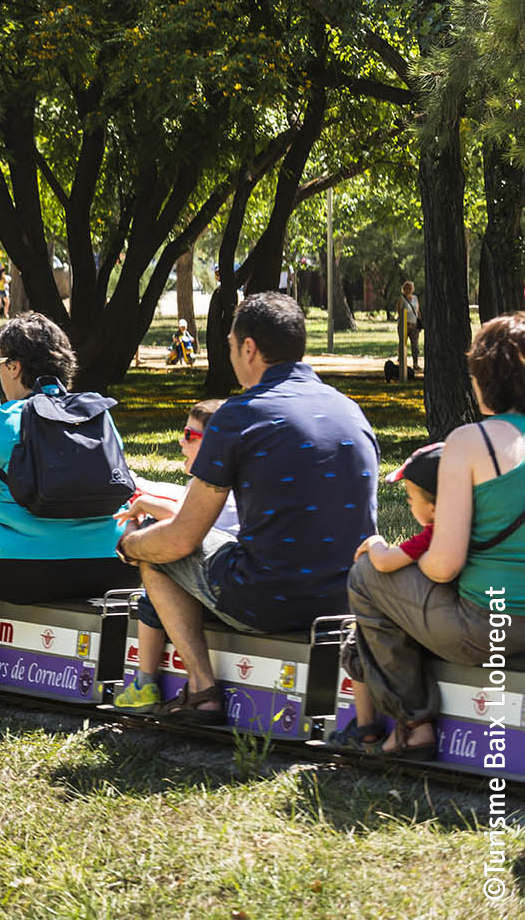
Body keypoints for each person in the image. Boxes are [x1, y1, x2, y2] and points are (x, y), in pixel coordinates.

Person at [117, 291, 379, 723]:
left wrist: (132, 546)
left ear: (249, 348)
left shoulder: (239, 414)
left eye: (231, 345)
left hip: (269, 601)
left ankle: (201, 690)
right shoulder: (351, 410)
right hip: (347, 601)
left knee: (156, 553)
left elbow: (184, 537)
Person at [334, 313, 525, 757]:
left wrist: (391, 554)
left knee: (366, 575)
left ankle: (412, 724)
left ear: (480, 379)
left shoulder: (469, 442)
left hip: (488, 627)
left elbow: (444, 565)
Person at [0, 312, 137, 682]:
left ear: (15, 367)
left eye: (2, 364)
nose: (0, 372)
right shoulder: (98, 415)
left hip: (26, 574)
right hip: (111, 569)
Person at [111, 399, 238, 711]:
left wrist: (144, 507)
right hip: (228, 574)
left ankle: (145, 681)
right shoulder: (238, 477)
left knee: (156, 554)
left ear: (214, 446)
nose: (181, 441)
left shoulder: (216, 482)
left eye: (189, 435)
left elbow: (182, 522)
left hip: (223, 583)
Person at [327, 442, 443, 752]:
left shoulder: (436, 533)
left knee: (362, 633)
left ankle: (366, 728)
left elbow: (385, 563)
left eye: (410, 498)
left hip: (435, 623)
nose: (407, 504)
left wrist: (375, 542)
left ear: (433, 508)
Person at [398, 280, 422, 373]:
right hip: (404, 325)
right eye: (407, 288)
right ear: (404, 289)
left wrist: (419, 322)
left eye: (410, 288)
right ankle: (402, 364)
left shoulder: (415, 298)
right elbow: (399, 311)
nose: (409, 290)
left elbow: (418, 311)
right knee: (403, 344)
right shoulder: (401, 298)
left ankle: (415, 363)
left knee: (415, 345)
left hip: (414, 325)